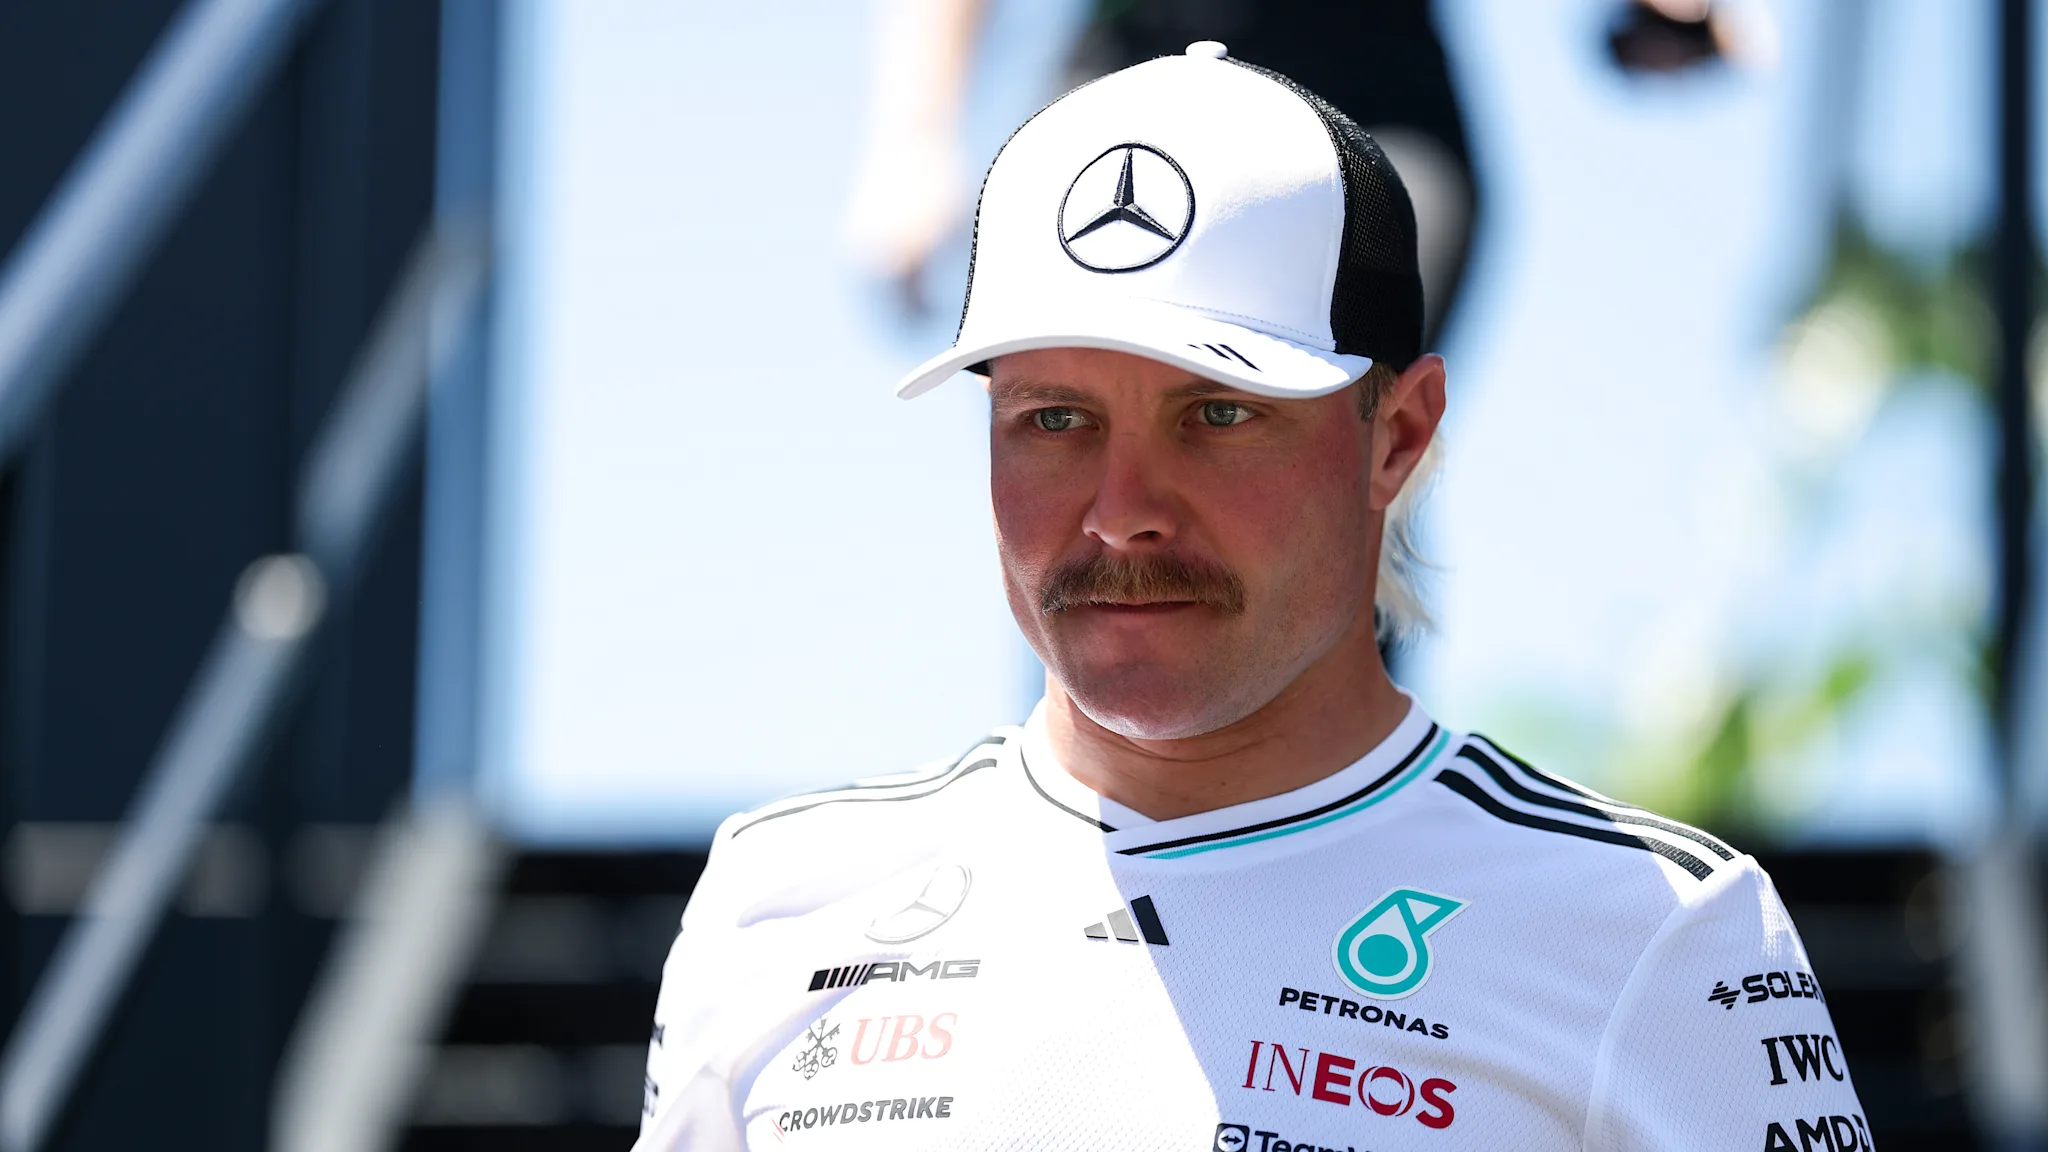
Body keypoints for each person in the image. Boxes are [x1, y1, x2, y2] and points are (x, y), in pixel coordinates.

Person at [637, 44, 1867, 1151]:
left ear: (1398, 437)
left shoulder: (1656, 935)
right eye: (1053, 420)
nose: (1121, 510)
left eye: (1218, 413)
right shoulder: (775, 904)